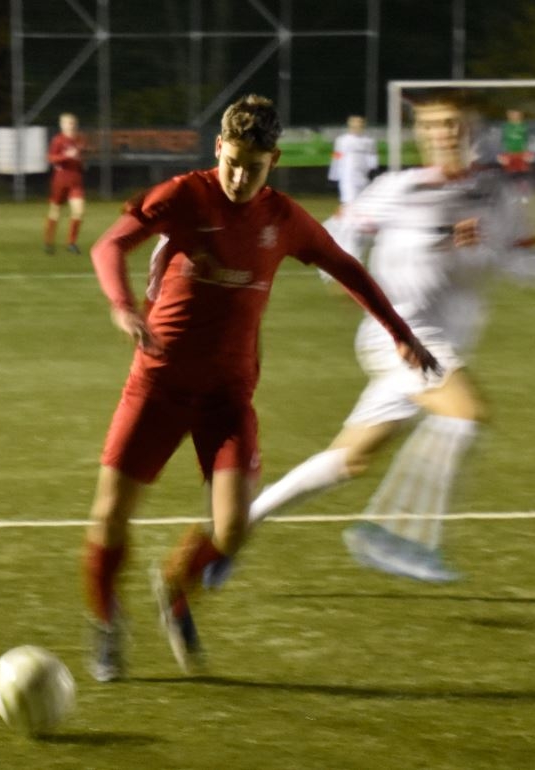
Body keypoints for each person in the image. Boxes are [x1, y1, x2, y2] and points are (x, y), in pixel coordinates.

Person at [82, 94, 439, 682]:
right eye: (232, 162)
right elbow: (108, 245)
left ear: (274, 160)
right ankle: (105, 622)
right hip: (158, 386)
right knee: (110, 515)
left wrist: (400, 334)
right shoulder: (183, 195)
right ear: (218, 147)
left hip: (227, 398)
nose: (240, 177)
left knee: (232, 528)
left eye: (254, 167)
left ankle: (175, 587)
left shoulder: (284, 219)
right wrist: (123, 307)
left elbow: (346, 266)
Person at [207, 96, 535, 586]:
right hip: (403, 337)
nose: (444, 133)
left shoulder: (499, 193)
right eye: (433, 125)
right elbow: (337, 233)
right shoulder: (400, 188)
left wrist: (487, 247)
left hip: (443, 344)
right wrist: (349, 286)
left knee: (348, 460)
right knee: (466, 415)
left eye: (453, 124)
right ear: (421, 134)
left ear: (472, 129)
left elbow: (533, 267)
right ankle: (397, 535)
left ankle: (231, 532)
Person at [44, 112, 86, 255]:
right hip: (60, 181)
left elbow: (81, 157)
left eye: (73, 123)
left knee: (79, 211)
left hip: (76, 181)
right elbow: (50, 158)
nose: (71, 126)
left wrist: (81, 160)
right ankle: (49, 241)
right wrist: (65, 156)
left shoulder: (79, 139)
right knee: (55, 211)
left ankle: (71, 243)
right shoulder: (58, 140)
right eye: (68, 123)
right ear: (62, 125)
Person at [327, 115, 379, 208]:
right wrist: (334, 174)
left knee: (362, 201)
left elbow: (372, 156)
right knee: (349, 200)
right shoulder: (342, 140)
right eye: (354, 125)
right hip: (347, 174)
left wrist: (373, 168)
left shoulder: (369, 141)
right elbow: (337, 156)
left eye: (359, 125)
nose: (357, 127)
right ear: (350, 126)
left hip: (362, 175)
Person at [497, 109, 533, 181]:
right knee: (509, 171)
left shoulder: (524, 126)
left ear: (520, 116)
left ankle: (523, 182)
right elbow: (503, 140)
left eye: (516, 114)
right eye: (512, 114)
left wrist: (527, 152)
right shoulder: (506, 126)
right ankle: (511, 182)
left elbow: (527, 139)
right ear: (508, 116)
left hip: (521, 152)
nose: (514, 116)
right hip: (509, 152)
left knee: (523, 170)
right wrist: (502, 153)